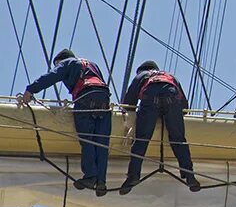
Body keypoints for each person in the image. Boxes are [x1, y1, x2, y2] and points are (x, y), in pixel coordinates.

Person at [18, 49, 111, 196]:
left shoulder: (67, 63)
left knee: (87, 140)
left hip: (85, 98)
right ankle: (101, 182)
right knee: (102, 143)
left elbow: (53, 76)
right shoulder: (92, 65)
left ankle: (91, 176)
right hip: (104, 98)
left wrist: (31, 89)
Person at [119, 61, 199, 194]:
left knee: (142, 140)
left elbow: (129, 103)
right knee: (179, 139)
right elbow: (184, 107)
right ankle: (189, 175)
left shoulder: (142, 75)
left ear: (141, 70)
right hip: (172, 98)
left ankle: (133, 176)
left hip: (150, 99)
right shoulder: (169, 76)